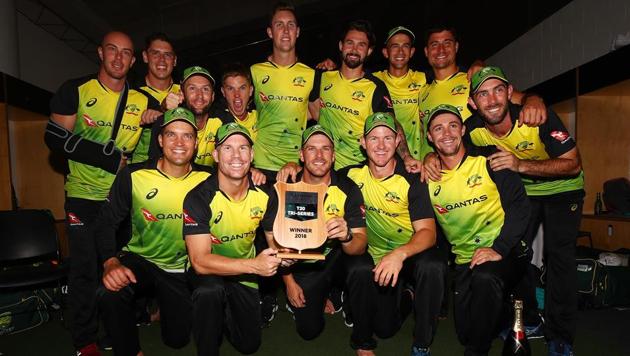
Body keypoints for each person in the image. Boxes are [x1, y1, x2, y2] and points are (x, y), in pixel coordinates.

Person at [44, 31, 156, 356]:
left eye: (126, 53)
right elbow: (53, 137)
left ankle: (118, 332)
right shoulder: (75, 90)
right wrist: (105, 156)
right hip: (83, 196)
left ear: (134, 60)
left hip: (121, 201)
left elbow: (156, 146)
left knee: (123, 268)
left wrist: (162, 113)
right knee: (84, 270)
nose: (119, 58)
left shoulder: (142, 101)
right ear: (100, 53)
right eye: (112, 50)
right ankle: (85, 341)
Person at [465, 66, 584, 356]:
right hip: (523, 196)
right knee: (516, 253)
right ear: (473, 103)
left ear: (509, 93)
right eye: (482, 93)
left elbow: (573, 163)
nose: (491, 100)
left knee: (559, 259)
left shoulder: (535, 116)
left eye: (497, 90)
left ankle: (560, 336)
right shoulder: (473, 130)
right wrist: (430, 157)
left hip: (563, 190)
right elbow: (448, 151)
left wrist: (520, 165)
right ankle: (527, 319)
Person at [96, 107, 209, 355]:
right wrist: (110, 261)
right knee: (111, 289)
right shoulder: (134, 175)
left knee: (177, 339)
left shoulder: (208, 179)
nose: (179, 142)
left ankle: (156, 309)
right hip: (143, 260)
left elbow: (242, 190)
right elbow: (106, 222)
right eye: (171, 135)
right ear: (160, 139)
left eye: (187, 135)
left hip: (183, 268)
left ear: (196, 142)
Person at [425, 104, 530, 356]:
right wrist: (428, 159)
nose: (446, 133)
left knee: (486, 279)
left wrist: (499, 248)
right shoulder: (427, 177)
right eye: (438, 129)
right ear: (429, 138)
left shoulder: (490, 160)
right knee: (466, 332)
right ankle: (505, 309)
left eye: (452, 126)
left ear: (463, 130)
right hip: (464, 260)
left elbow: (520, 207)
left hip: (506, 251)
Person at [346, 112, 445, 356]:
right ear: (362, 142)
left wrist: (399, 255)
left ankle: (422, 341)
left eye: (388, 138)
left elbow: (428, 233)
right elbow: (315, 175)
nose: (381, 146)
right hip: (375, 257)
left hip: (408, 256)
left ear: (398, 139)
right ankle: (408, 297)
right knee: (385, 328)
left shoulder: (412, 178)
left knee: (432, 264)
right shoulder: (350, 177)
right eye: (374, 138)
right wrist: (292, 166)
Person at [183, 122, 285, 355]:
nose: (236, 155)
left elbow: (273, 241)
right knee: (210, 292)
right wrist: (255, 266)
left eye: (243, 148)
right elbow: (199, 262)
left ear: (252, 154)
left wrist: (288, 254)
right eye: (228, 148)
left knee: (249, 345)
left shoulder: (267, 194)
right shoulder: (198, 198)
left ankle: (220, 315)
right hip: (209, 274)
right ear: (216, 155)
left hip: (245, 275)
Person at [270, 125, 372, 344]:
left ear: (333, 156)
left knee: (362, 266)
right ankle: (322, 292)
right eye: (311, 149)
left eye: (325, 149)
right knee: (309, 331)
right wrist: (288, 282)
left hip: (337, 256)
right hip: (305, 264)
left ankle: (362, 339)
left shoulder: (347, 188)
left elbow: (361, 244)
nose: (318, 156)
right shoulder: (285, 187)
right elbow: (273, 242)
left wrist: (346, 236)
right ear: (301, 155)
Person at [418, 26, 547, 163]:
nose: (441, 50)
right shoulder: (421, 92)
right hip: (437, 171)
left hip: (478, 167)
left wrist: (533, 100)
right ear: (426, 52)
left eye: (447, 43)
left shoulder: (474, 79)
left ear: (456, 47)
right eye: (434, 45)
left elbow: (520, 98)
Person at [312, 20, 420, 172]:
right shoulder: (321, 77)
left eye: (361, 45)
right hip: (323, 167)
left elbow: (392, 124)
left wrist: (407, 157)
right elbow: (309, 109)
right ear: (341, 46)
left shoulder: (376, 87)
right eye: (350, 43)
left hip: (359, 170)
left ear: (369, 51)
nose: (354, 49)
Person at [250, 2, 319, 183]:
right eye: (279, 25)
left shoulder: (311, 75)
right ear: (270, 32)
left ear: (297, 32)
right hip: (261, 166)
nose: (286, 30)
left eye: (291, 25)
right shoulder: (255, 72)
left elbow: (319, 115)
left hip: (296, 166)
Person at [150, 65, 224, 167]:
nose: (199, 96)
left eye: (205, 89)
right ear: (182, 94)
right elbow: (153, 165)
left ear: (213, 96)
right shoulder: (165, 123)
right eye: (192, 88)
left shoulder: (223, 121)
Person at [373, 26, 426, 164]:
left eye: (405, 46)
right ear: (386, 52)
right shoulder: (373, 81)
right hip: (385, 159)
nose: (400, 51)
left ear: (412, 52)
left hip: (419, 158)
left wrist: (477, 63)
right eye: (395, 46)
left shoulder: (423, 79)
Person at [131, 32, 180, 164]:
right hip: (141, 171)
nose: (162, 60)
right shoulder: (130, 94)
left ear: (174, 60)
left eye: (167, 55)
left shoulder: (186, 93)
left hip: (179, 171)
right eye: (155, 53)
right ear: (145, 57)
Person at [216, 63, 258, 142]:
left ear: (251, 90)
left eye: (242, 88)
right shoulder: (216, 123)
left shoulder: (261, 117)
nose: (237, 95)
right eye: (230, 88)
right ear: (223, 92)